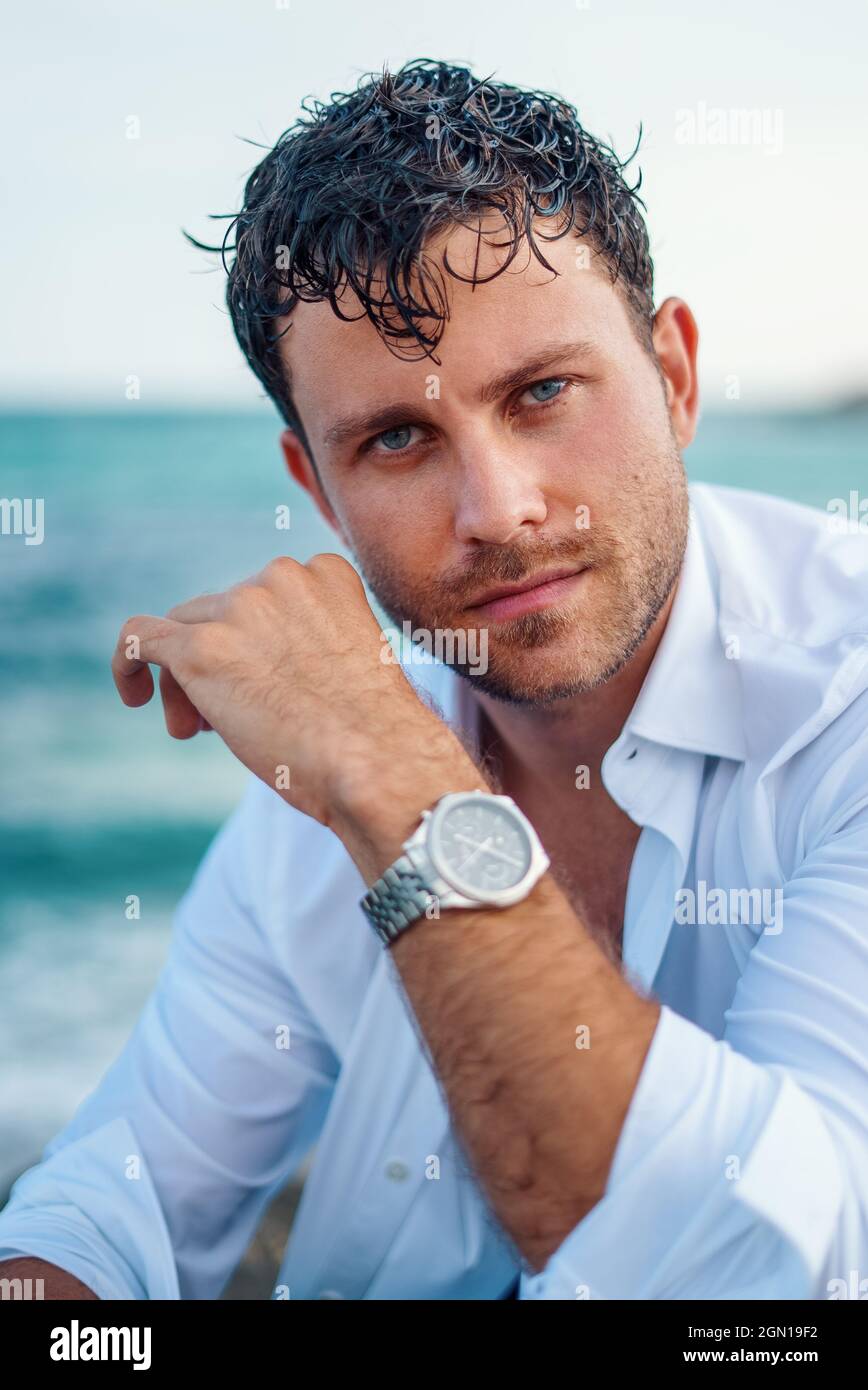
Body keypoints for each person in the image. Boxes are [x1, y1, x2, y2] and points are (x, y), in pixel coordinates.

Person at [2, 57, 867, 1301]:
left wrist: (401, 784)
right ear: (317, 488)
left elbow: (777, 1283)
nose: (498, 512)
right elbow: (115, 1204)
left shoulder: (839, 703)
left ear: (674, 377)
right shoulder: (329, 779)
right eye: (397, 439)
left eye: (544, 392)